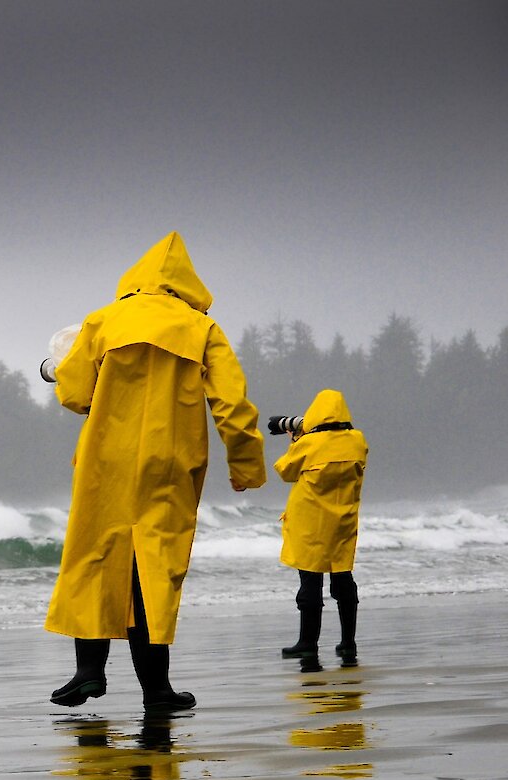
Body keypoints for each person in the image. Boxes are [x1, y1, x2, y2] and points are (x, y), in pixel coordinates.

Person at [43, 231, 266, 712]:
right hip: (171, 462)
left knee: (94, 554)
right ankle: (157, 689)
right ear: (187, 283)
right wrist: (245, 465)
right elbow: (232, 404)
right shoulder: (202, 328)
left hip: (106, 460)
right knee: (155, 568)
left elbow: (75, 395)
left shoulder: (103, 320)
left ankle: (88, 670)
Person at [272, 388, 368, 663]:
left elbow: (285, 471)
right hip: (343, 520)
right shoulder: (358, 440)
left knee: (310, 582)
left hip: (310, 520)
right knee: (343, 580)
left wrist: (296, 439)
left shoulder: (309, 444)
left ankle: (307, 642)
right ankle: (348, 642)